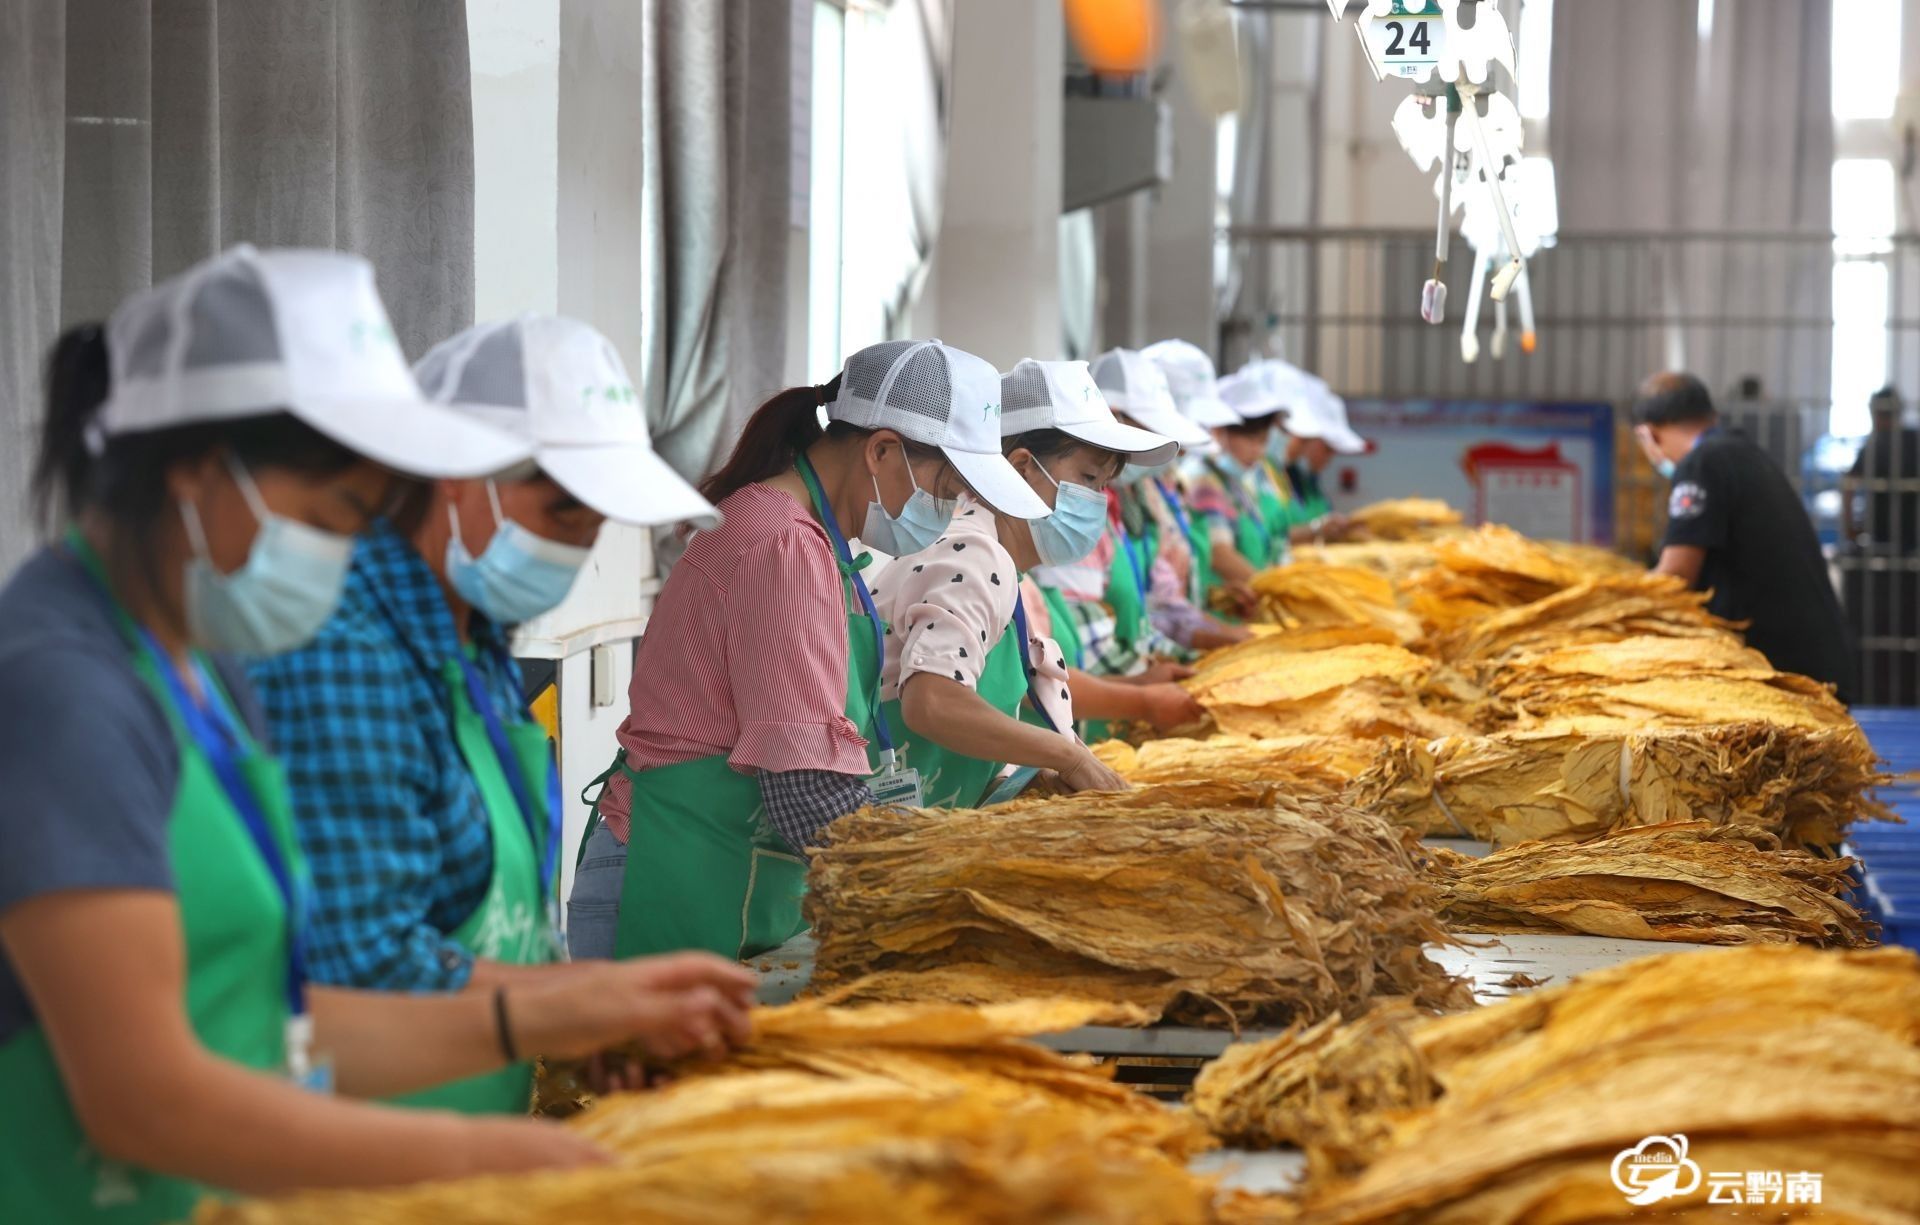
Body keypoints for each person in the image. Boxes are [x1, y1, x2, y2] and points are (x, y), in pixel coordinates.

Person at [0, 248, 754, 1224]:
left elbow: (281, 1029)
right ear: (196, 469)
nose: (344, 556)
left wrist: (556, 1012)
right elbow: (144, 1099)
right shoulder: (64, 688)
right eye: (332, 517)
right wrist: (509, 1160)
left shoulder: (200, 665)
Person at [247, 315, 724, 1114]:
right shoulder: (345, 649)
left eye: (596, 521)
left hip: (472, 1121)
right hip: (368, 1142)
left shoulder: (476, 648)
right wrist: (569, 1006)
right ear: (453, 478)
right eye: (564, 513)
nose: (582, 547)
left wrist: (583, 1007)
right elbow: (359, 968)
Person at [569, 340, 1050, 962]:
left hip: (720, 866)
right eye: (945, 484)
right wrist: (947, 887)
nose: (950, 508)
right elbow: (807, 788)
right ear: (881, 451)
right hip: (677, 870)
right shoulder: (784, 547)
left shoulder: (810, 542)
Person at [864, 358, 1176, 808]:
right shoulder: (974, 553)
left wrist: (1028, 779)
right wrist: (1067, 758)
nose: (1096, 502)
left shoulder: (1000, 562)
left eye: (1104, 485)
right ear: (1023, 466)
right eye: (1088, 478)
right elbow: (931, 700)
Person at [1633, 371, 1856, 698]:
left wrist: (1607, 604)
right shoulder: (1743, 453)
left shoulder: (1701, 464)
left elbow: (1674, 578)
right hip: (1820, 667)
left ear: (1648, 434)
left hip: (1787, 680)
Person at [1140, 340, 1254, 648]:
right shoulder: (1132, 492)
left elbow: (1168, 593)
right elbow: (1147, 608)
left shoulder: (1171, 485)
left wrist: (1214, 598)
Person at [1840, 386, 1919, 703]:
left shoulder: (1875, 444)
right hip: (1913, 549)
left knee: (1875, 628)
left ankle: (1875, 692)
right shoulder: (1914, 440)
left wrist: (1851, 530)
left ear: (1875, 413)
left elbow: (1848, 487)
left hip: (1879, 552)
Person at [1274, 366, 1366, 544]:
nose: (1329, 458)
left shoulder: (1307, 484)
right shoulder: (1261, 479)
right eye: (1328, 449)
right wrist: (1314, 530)